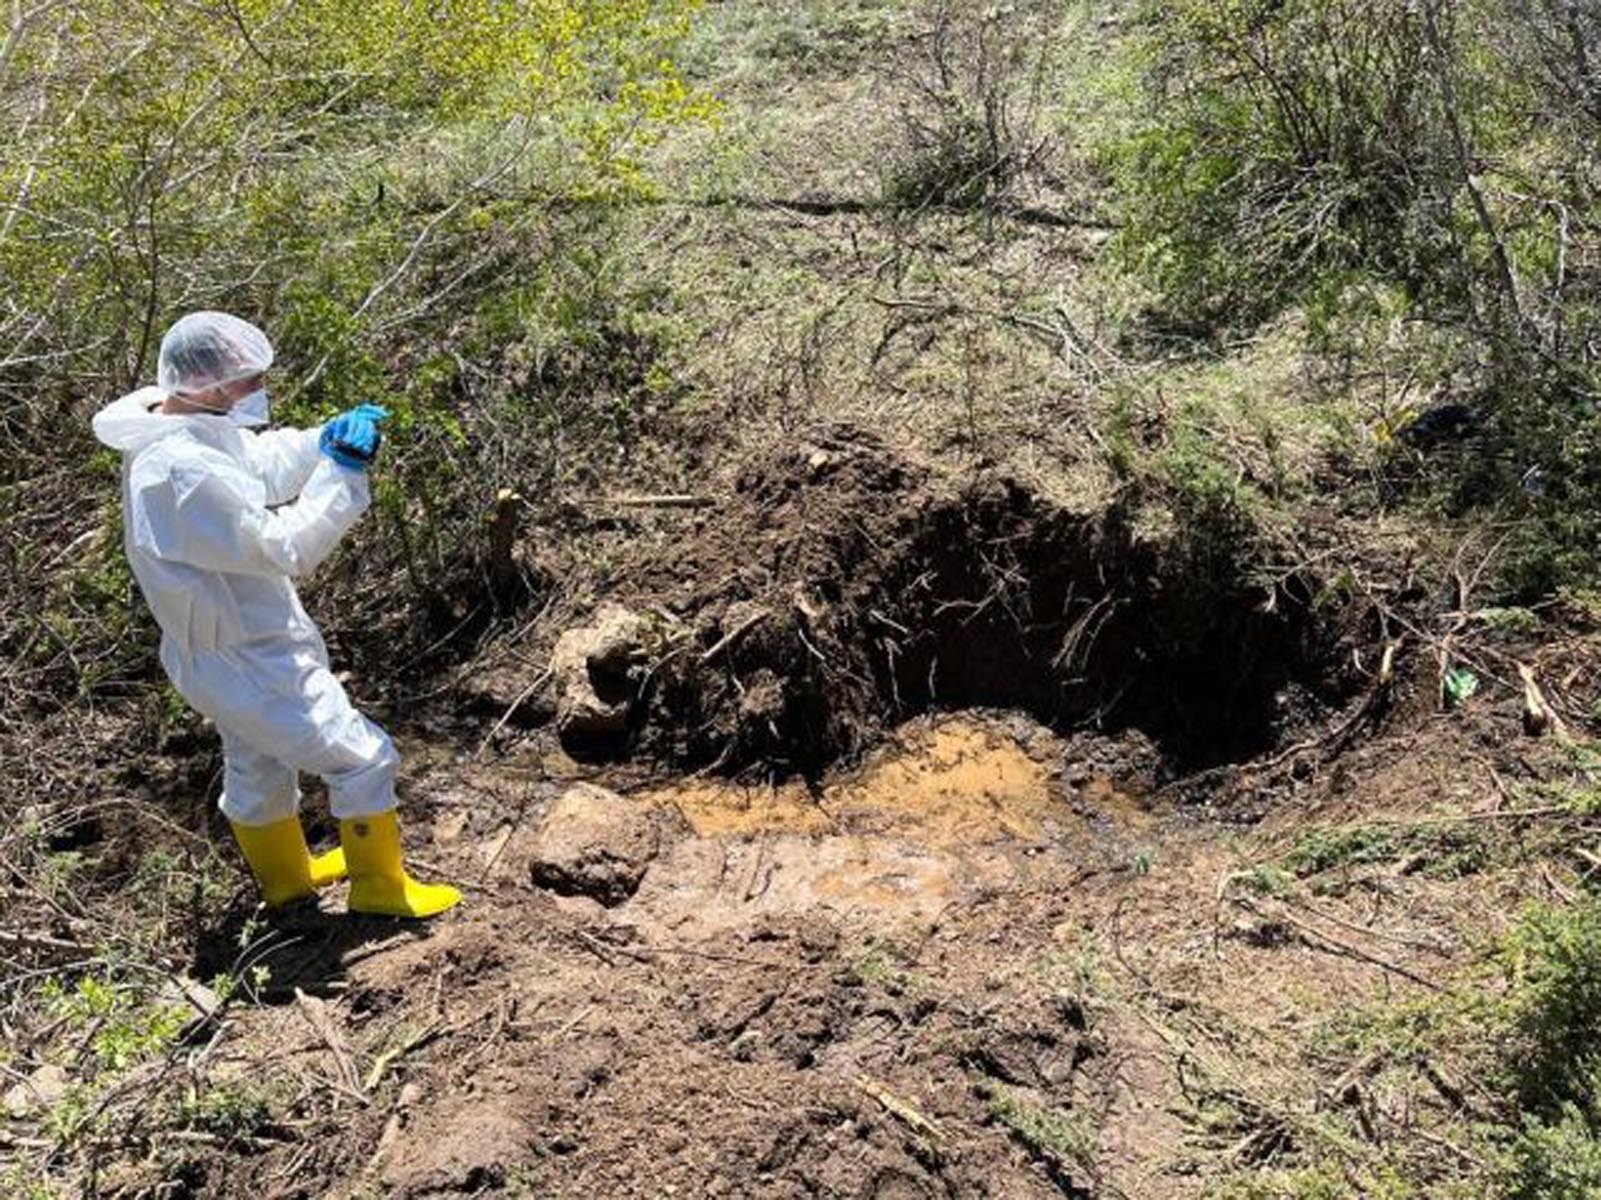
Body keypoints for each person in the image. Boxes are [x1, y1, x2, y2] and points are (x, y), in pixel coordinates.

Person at [92, 311, 459, 918]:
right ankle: (380, 890)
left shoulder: (189, 425)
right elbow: (285, 547)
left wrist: (321, 439)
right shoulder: (179, 472)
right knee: (360, 755)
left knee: (258, 767)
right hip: (246, 655)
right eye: (246, 381)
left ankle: (288, 886)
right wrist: (342, 472)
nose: (257, 391)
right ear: (207, 384)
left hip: (229, 649)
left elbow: (256, 463)